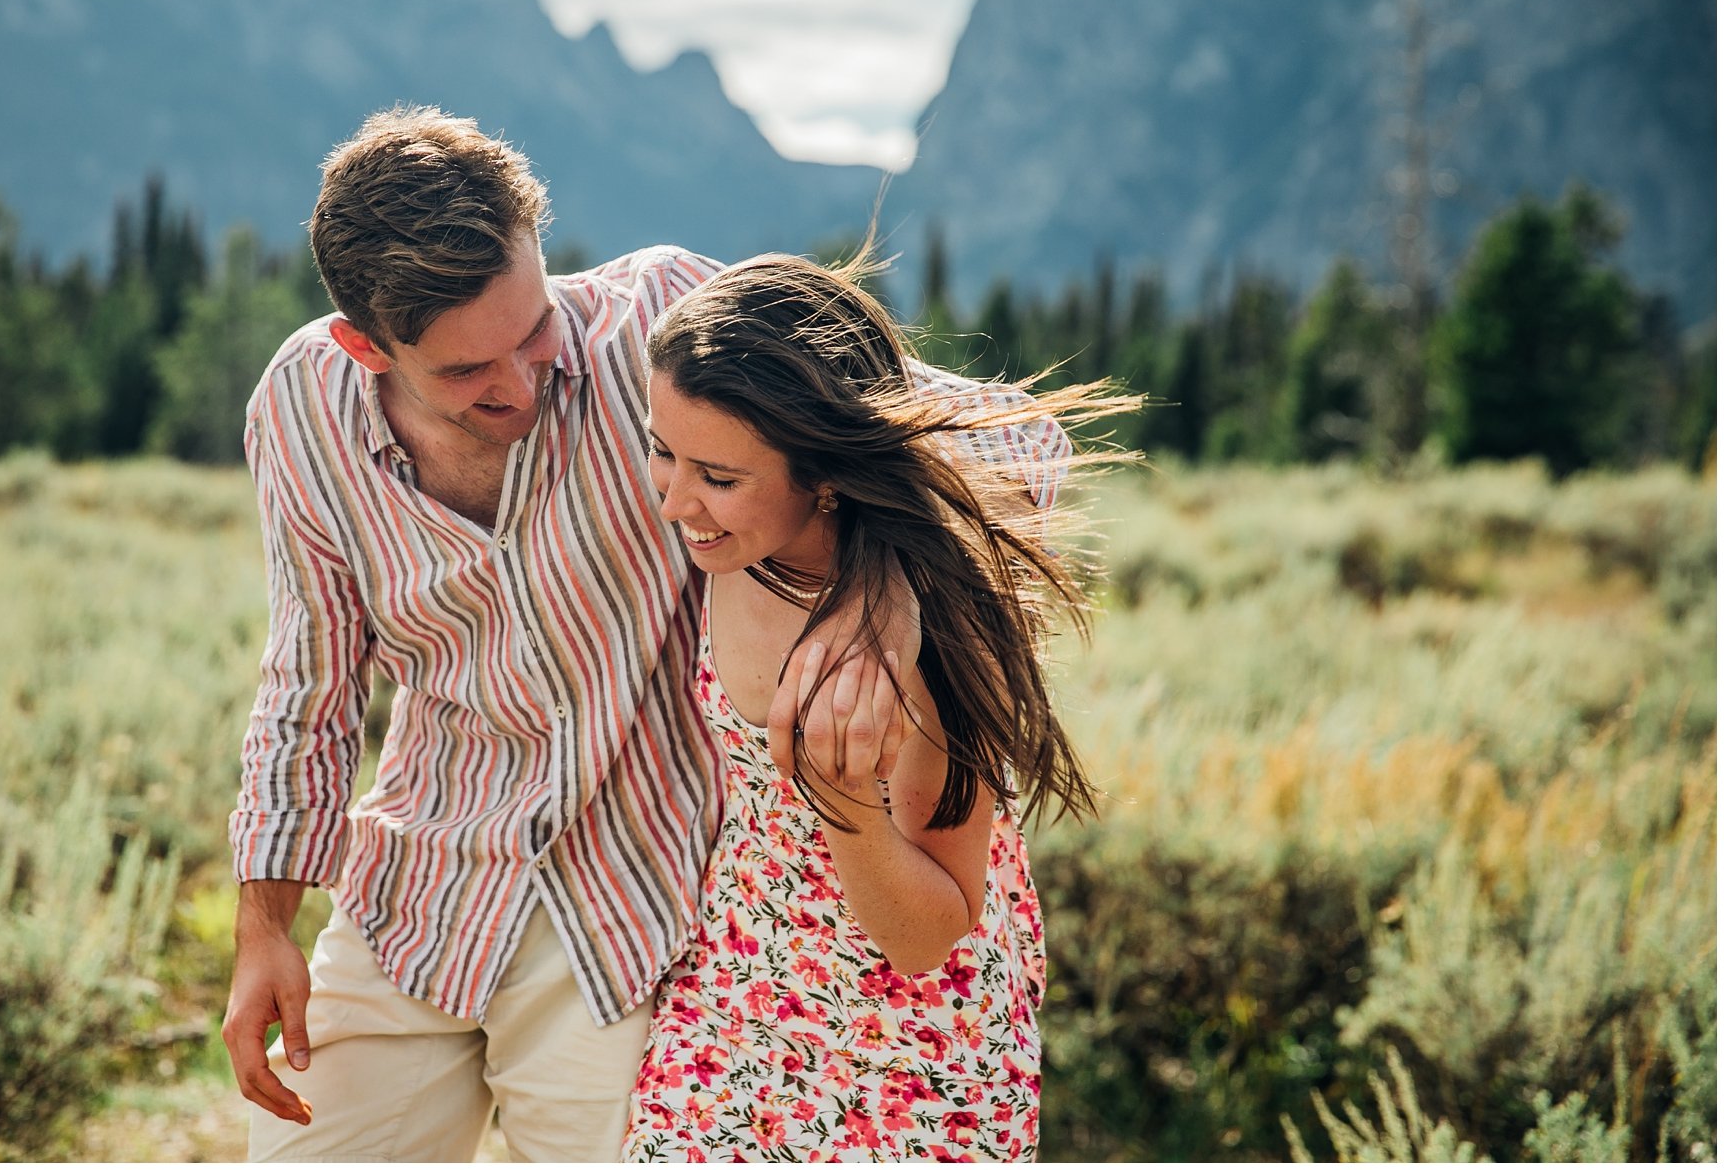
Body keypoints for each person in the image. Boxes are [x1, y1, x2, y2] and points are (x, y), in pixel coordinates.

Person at [219, 105, 905, 1161]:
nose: (520, 380)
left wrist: (872, 606)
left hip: (632, 911)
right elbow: (307, 687)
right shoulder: (300, 410)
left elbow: (997, 446)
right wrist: (264, 928)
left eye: (532, 329)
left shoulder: (666, 320)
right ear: (364, 345)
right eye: (464, 373)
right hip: (417, 892)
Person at [622, 252, 1129, 1161]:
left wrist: (845, 805)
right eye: (662, 451)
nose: (672, 499)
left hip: (918, 1060)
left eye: (717, 476)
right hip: (733, 1004)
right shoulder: (735, 543)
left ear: (826, 474)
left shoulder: (947, 629)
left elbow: (929, 932)